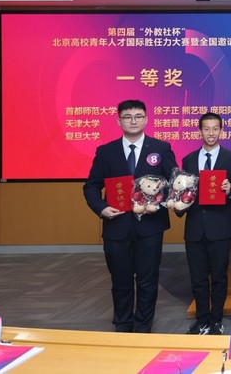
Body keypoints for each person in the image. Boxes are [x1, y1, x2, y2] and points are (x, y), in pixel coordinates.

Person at [82, 99, 177, 333]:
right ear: (119, 121)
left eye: (138, 116)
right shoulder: (106, 151)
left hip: (150, 226)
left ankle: (143, 326)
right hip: (116, 225)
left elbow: (173, 183)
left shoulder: (161, 148)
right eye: (127, 117)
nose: (133, 121)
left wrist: (159, 200)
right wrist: (101, 208)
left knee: (147, 280)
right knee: (120, 280)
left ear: (146, 119)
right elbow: (91, 186)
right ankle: (123, 325)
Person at [179, 112, 231, 335]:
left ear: (221, 131)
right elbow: (183, 190)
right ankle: (201, 319)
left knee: (219, 277)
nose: (211, 133)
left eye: (215, 129)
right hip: (195, 227)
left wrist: (230, 189)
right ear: (200, 131)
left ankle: (216, 320)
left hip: (220, 227)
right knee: (198, 278)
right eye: (207, 129)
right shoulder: (188, 159)